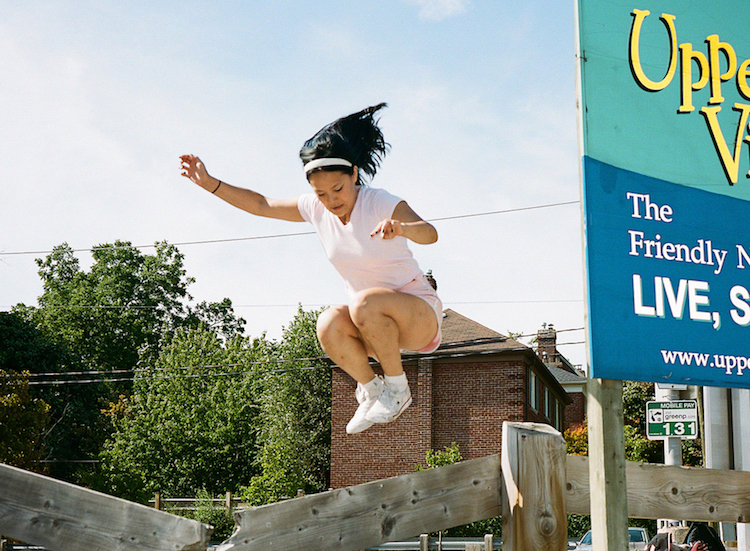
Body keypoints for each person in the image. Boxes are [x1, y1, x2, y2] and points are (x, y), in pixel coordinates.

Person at [179, 103, 442, 434]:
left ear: (355, 175)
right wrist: (210, 184)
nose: (331, 201)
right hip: (373, 326)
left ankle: (397, 389)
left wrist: (401, 228)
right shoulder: (315, 209)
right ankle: (373, 392)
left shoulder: (378, 201)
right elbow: (261, 205)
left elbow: (429, 233)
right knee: (328, 322)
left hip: (418, 316)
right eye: (321, 193)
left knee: (363, 303)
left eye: (338, 189)